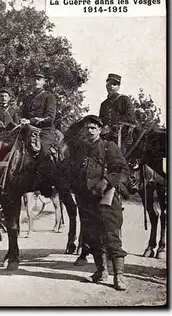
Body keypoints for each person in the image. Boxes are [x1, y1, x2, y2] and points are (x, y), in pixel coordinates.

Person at [66, 115, 130, 291]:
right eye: (87, 127)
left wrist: (106, 182)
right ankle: (101, 271)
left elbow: (123, 171)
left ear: (100, 130)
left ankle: (119, 276)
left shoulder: (109, 147)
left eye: (93, 127)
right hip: (86, 199)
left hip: (105, 199)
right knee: (92, 236)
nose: (89, 130)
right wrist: (74, 186)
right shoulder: (80, 149)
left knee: (111, 236)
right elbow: (72, 170)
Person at [20, 72, 57, 155]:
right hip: (27, 129)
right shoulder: (28, 98)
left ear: (43, 82)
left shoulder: (49, 96)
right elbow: (23, 114)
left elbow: (50, 118)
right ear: (31, 82)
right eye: (34, 80)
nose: (36, 82)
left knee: (44, 152)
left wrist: (31, 121)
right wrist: (22, 119)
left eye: (38, 80)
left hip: (44, 130)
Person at [99, 73, 137, 155]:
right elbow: (101, 120)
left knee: (118, 157)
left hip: (121, 135)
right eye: (109, 84)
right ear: (106, 85)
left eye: (114, 84)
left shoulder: (124, 99)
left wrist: (112, 127)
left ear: (118, 87)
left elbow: (130, 117)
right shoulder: (104, 104)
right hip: (105, 136)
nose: (111, 86)